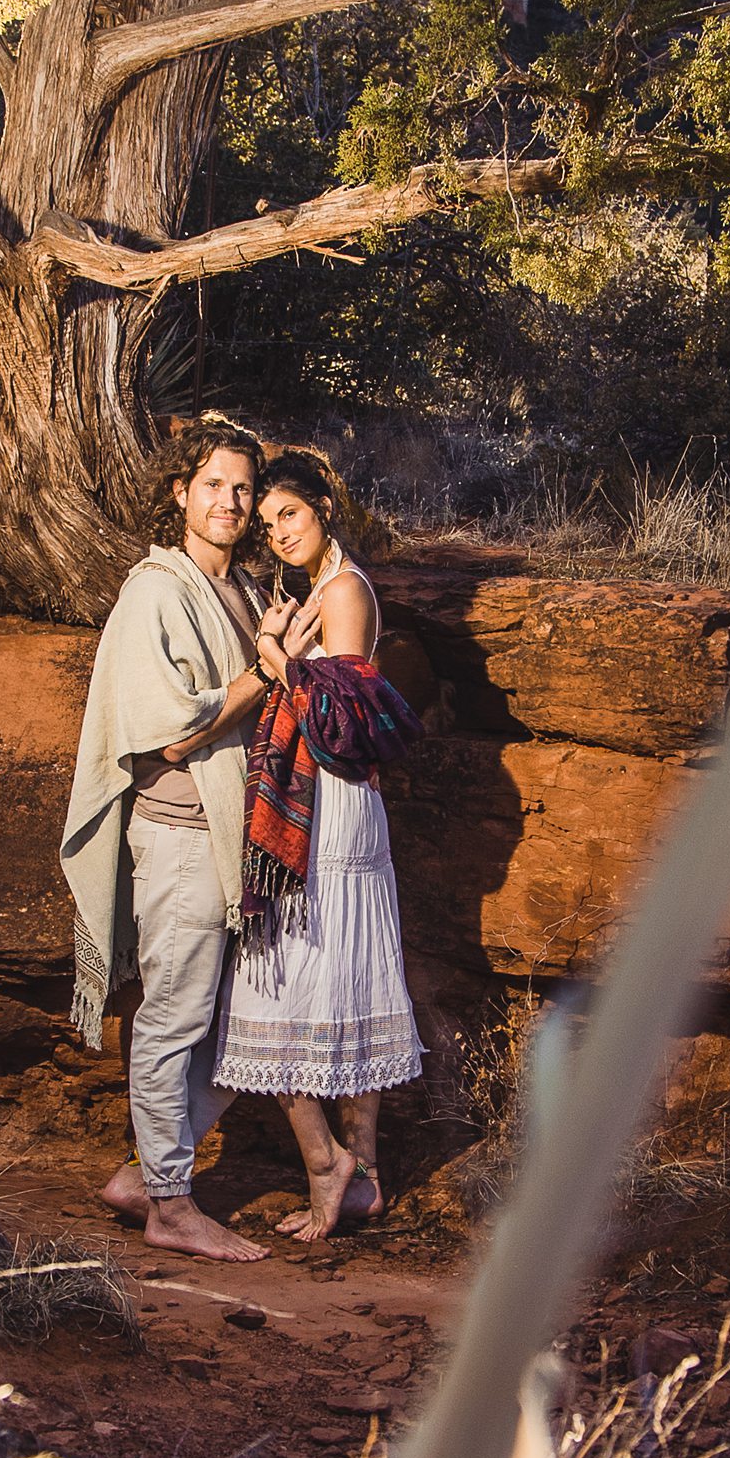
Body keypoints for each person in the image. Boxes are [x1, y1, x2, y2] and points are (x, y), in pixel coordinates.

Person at [59, 417, 279, 1264]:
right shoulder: (157, 590)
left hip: (242, 842)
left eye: (243, 487)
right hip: (183, 839)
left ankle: (144, 1174)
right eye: (214, 485)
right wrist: (265, 674)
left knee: (251, 1027)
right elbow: (175, 736)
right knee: (175, 1019)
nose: (229, 501)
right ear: (181, 493)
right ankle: (171, 1204)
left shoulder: (250, 594)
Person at [217, 446, 423, 1243]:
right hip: (339, 809)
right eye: (266, 525)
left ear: (324, 507)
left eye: (289, 516)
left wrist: (273, 658)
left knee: (282, 980)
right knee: (344, 975)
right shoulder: (325, 587)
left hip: (329, 808)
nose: (277, 534)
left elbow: (335, 721)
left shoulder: (341, 591)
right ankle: (362, 1173)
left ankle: (326, 1165)